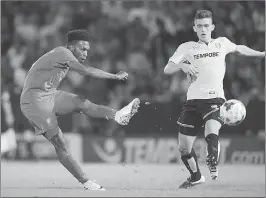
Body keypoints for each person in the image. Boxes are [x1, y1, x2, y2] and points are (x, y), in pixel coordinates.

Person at [20, 29, 140, 191]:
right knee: (60, 142)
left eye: (87, 50)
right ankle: (86, 182)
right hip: (34, 101)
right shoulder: (63, 52)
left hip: (49, 94)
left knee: (80, 102)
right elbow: (86, 71)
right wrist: (115, 76)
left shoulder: (62, 56)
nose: (85, 53)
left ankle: (118, 115)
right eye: (82, 48)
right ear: (71, 47)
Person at [164, 10, 265, 189]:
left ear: (212, 27)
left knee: (211, 131)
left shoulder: (222, 43)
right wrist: (183, 65)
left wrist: (261, 54)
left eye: (206, 26)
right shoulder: (187, 47)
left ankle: (212, 161)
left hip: (215, 99)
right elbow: (168, 69)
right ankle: (196, 177)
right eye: (199, 26)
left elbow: (240, 49)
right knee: (184, 148)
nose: (203, 29)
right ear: (194, 28)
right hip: (193, 102)